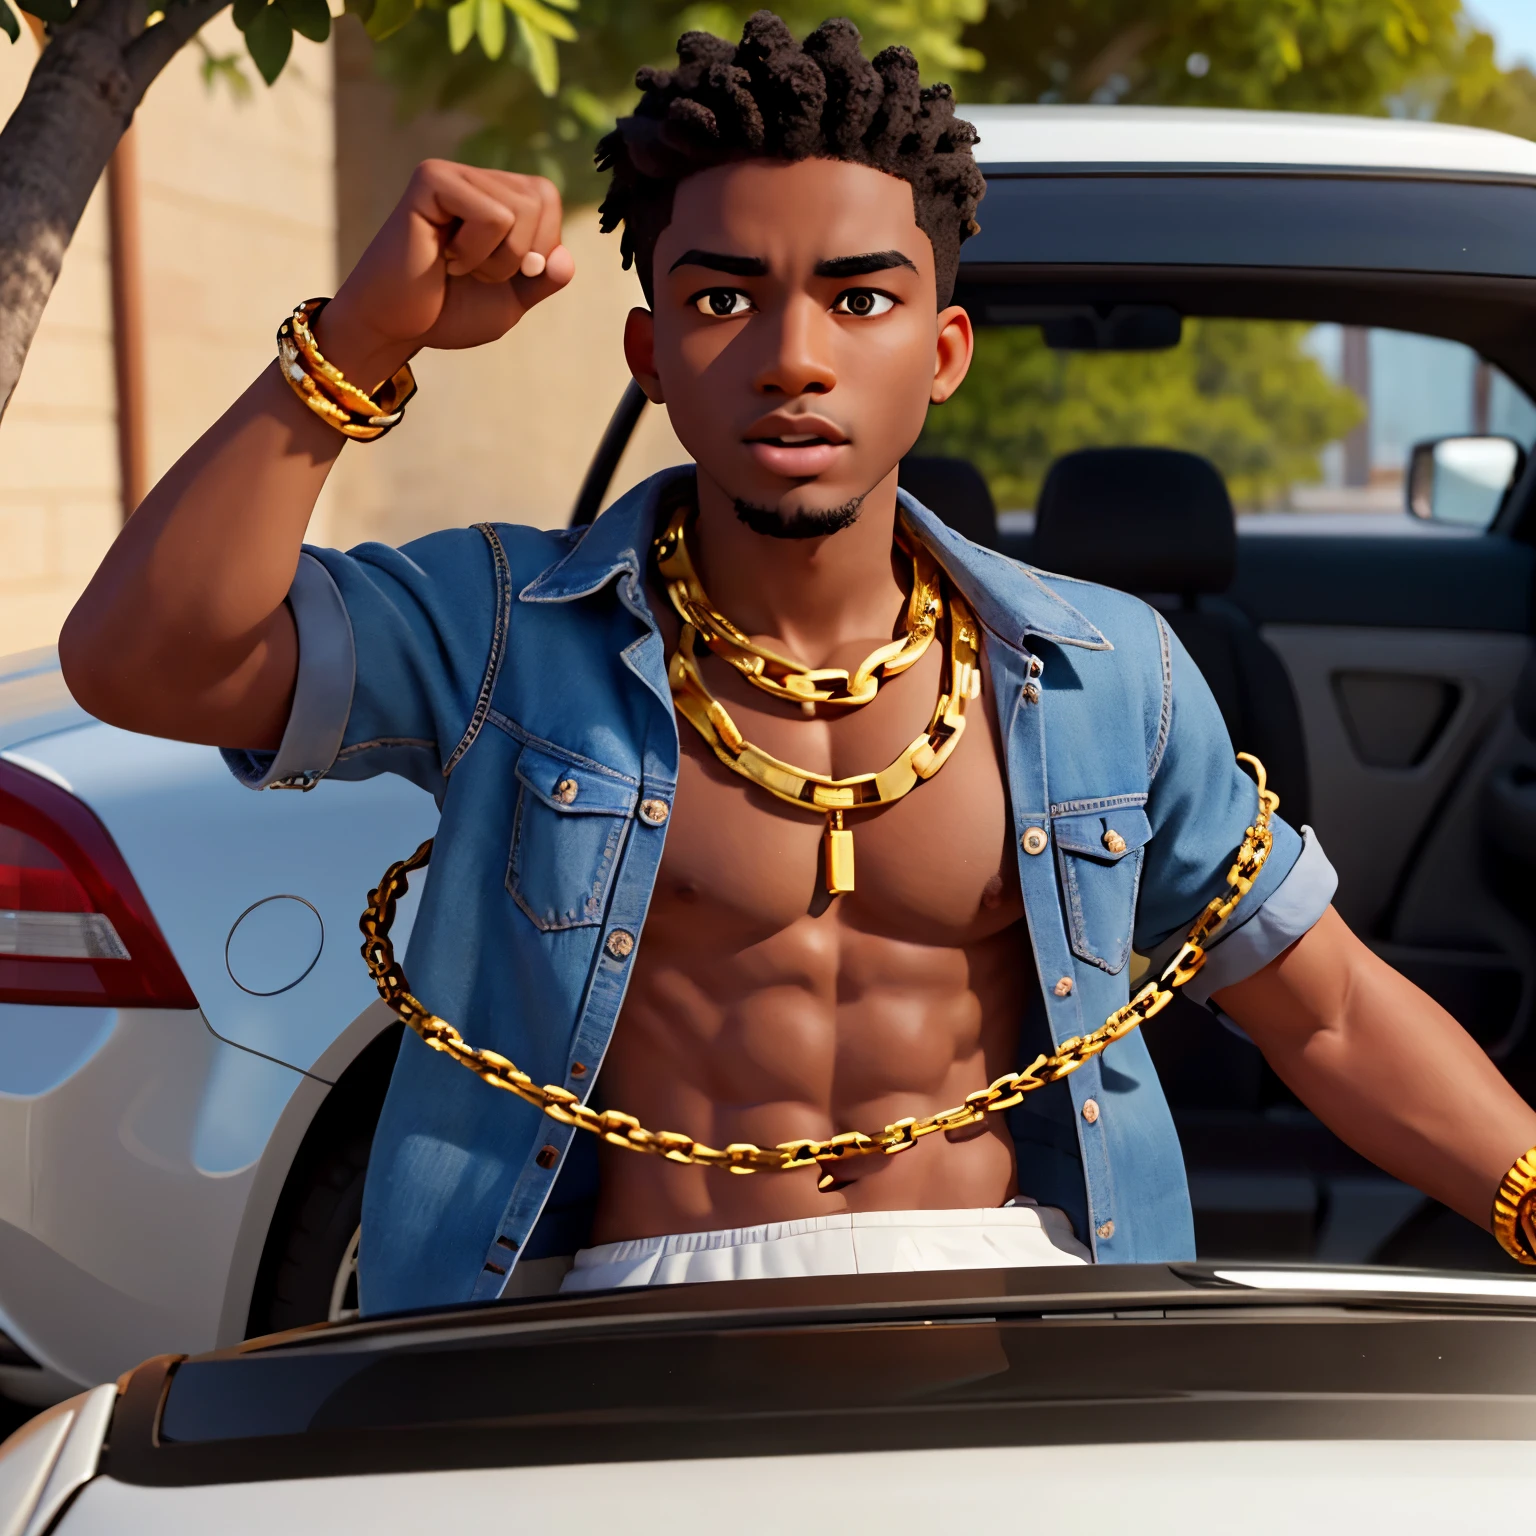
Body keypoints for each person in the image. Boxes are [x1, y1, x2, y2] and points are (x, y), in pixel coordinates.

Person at [59, 11, 1536, 1312]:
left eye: (860, 297)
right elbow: (147, 663)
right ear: (649, 356)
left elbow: (1325, 1003)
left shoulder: (1110, 675)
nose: (791, 354)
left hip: (1017, 1305)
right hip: (632, 1317)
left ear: (943, 349)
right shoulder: (505, 624)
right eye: (721, 299)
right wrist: (366, 340)